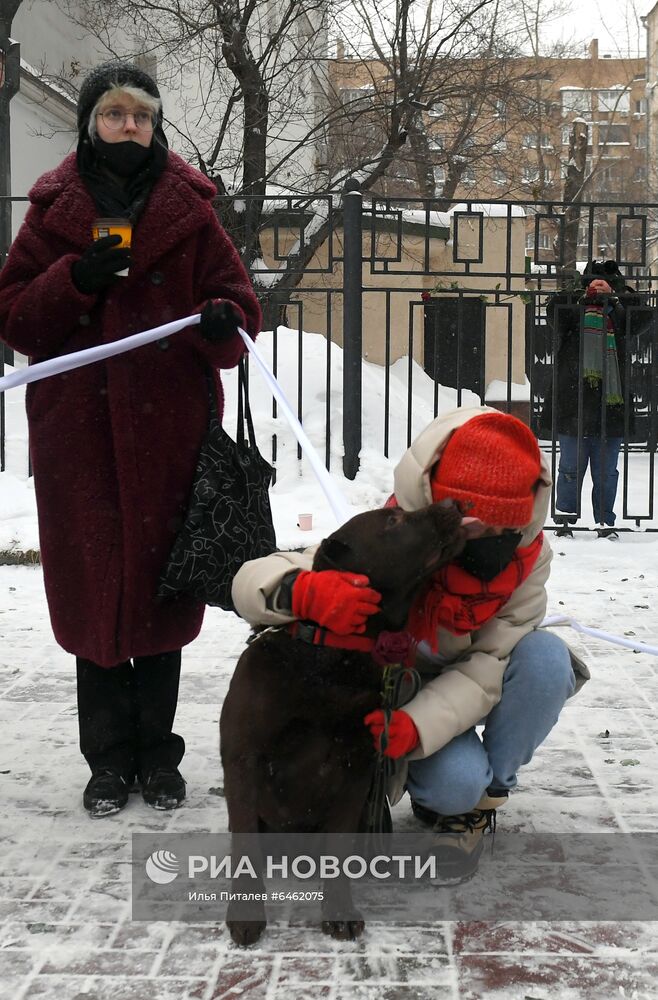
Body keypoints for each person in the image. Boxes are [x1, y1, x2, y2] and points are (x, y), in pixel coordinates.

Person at [0, 61, 261, 817]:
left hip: (167, 436)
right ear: (91, 121)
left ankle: (160, 759)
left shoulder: (191, 210)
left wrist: (221, 320)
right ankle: (106, 762)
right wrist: (76, 279)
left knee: (158, 598)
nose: (129, 128)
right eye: (115, 115)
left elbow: (239, 304)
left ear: (155, 125)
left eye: (141, 117)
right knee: (95, 600)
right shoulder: (52, 212)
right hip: (78, 439)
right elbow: (15, 317)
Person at [232, 407, 589, 881]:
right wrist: (298, 589)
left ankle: (483, 803)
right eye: (473, 521)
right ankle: (444, 790)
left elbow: (489, 663)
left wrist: (416, 727)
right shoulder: (402, 537)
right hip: (399, 688)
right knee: (452, 784)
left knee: (545, 659)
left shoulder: (527, 560)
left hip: (451, 695)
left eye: (504, 526)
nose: (488, 538)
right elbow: (249, 581)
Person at [540, 259, 652, 541]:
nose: (598, 286)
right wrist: (582, 295)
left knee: (606, 471)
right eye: (592, 281)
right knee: (569, 467)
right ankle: (565, 519)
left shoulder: (621, 308)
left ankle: (605, 520)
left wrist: (615, 297)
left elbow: (642, 318)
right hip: (574, 398)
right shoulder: (572, 304)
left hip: (610, 401)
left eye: (604, 282)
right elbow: (554, 314)